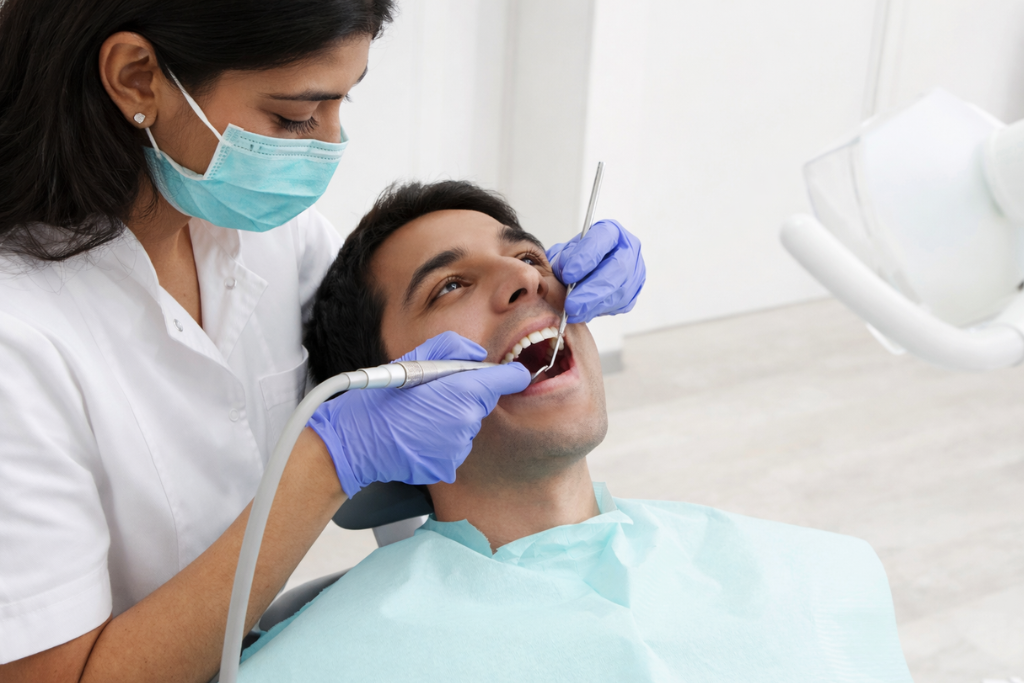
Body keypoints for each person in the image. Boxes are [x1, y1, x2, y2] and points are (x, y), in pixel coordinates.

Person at [0, 3, 646, 682]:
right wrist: (329, 464)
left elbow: (382, 364)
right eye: (294, 115)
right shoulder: (20, 337)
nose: (330, 142)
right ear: (137, 78)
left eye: (345, 98)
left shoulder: (275, 234)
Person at [237, 181, 913, 682]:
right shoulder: (318, 666)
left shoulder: (825, 577)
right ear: (383, 391)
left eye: (530, 256)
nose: (526, 281)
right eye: (448, 286)